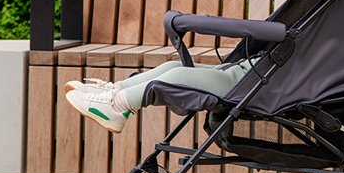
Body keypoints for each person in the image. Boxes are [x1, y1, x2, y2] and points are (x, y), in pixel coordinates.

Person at [63, 59, 258, 133]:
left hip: (252, 83)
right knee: (173, 66)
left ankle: (117, 105)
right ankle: (116, 90)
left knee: (180, 76)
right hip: (247, 71)